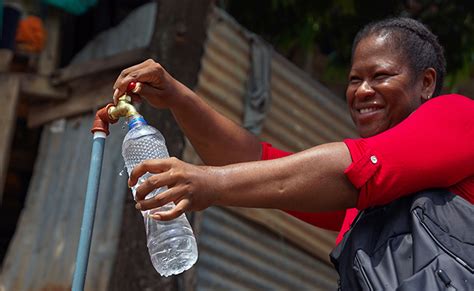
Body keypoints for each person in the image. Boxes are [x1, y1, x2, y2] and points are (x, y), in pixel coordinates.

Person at [113, 17, 473, 289]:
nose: (362, 91)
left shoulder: (458, 117)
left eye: (380, 76)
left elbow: (357, 166)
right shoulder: (367, 202)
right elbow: (255, 162)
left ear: (426, 83)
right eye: (353, 79)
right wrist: (178, 96)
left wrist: (210, 183)